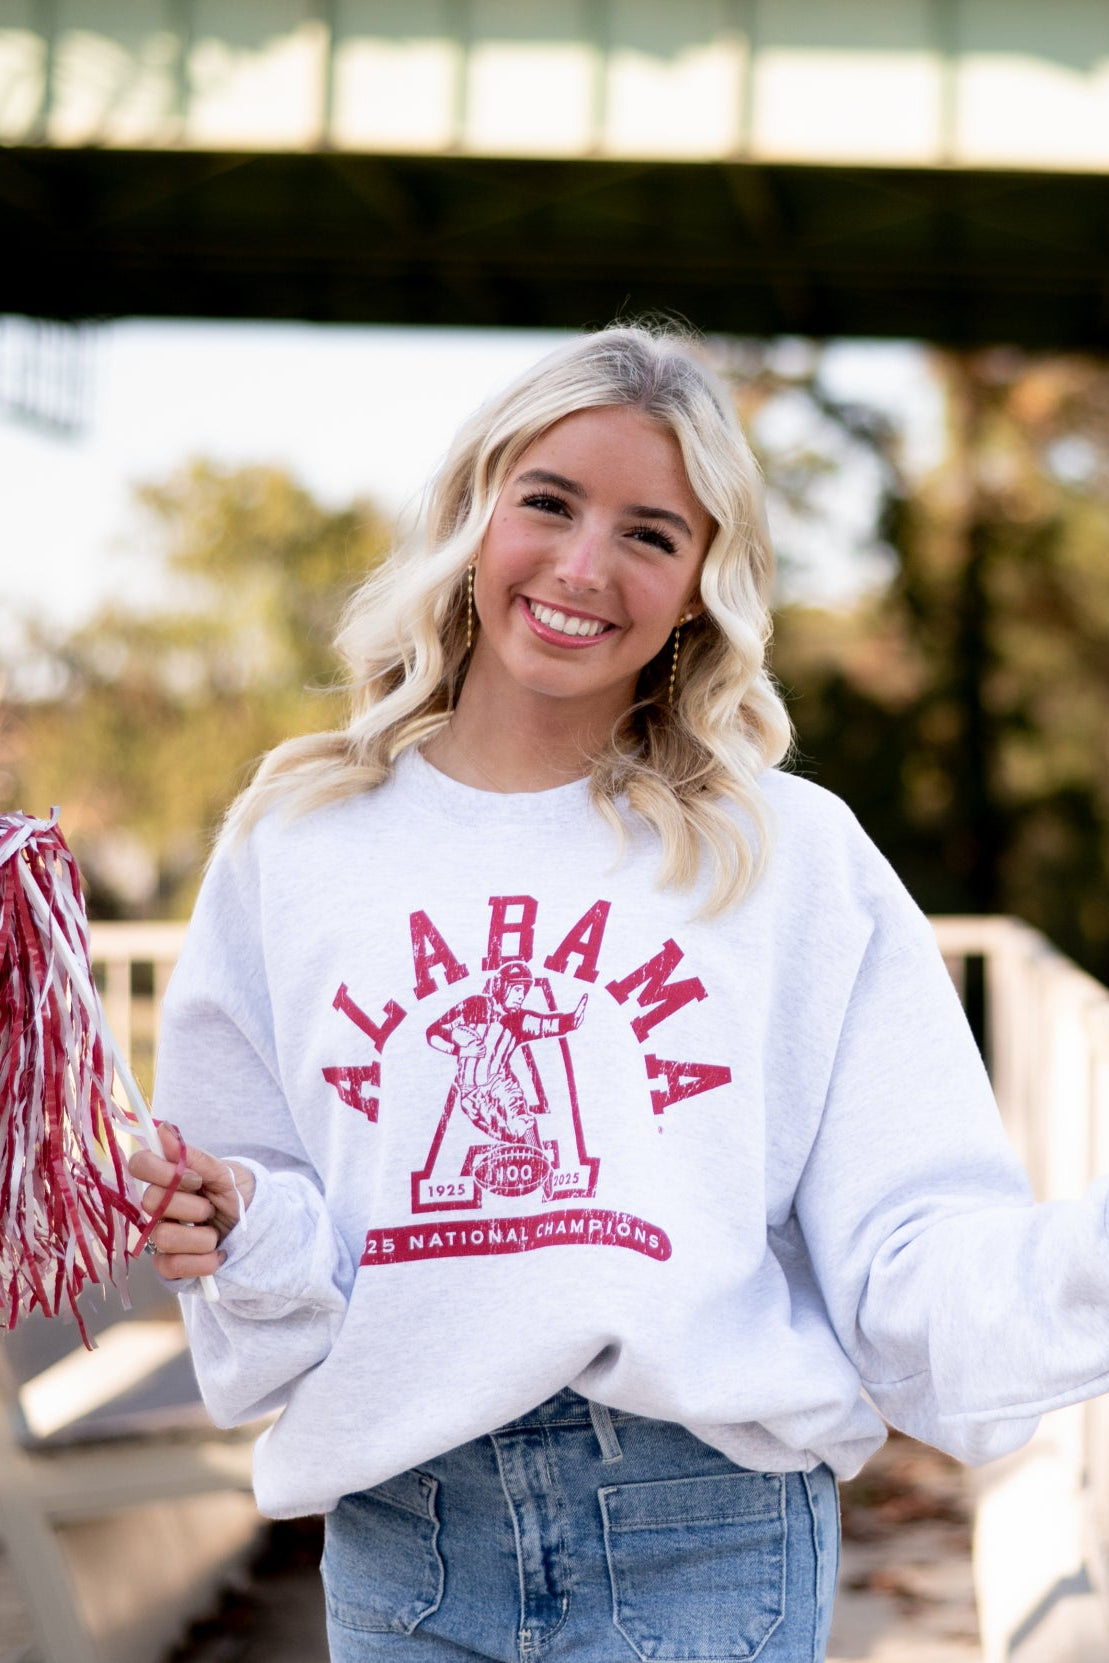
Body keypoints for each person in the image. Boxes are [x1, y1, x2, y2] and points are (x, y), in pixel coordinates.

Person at [131, 323, 1109, 1663]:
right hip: (400, 1535)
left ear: (705, 585)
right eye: (548, 502)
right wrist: (233, 1222)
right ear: (472, 513)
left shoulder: (785, 852)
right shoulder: (298, 840)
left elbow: (906, 1248)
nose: (584, 567)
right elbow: (272, 1225)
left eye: (651, 533)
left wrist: (1087, 1258)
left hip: (703, 1533)